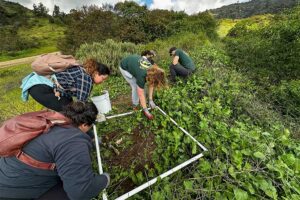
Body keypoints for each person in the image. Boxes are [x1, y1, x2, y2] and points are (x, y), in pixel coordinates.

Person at [0, 101, 110, 200]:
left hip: (6, 171)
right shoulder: (73, 141)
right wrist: (105, 179)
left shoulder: (53, 119)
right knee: (70, 190)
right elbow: (81, 192)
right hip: (13, 192)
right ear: (85, 124)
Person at [21, 59, 110, 112]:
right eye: (103, 78)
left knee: (69, 104)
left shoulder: (81, 69)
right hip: (41, 88)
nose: (102, 82)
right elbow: (81, 102)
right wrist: (94, 113)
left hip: (38, 84)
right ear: (96, 73)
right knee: (69, 112)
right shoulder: (86, 78)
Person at [119, 54, 166, 120]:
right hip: (124, 67)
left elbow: (151, 83)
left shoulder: (153, 70)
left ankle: (143, 102)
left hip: (133, 62)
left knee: (143, 85)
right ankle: (135, 105)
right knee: (135, 86)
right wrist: (145, 110)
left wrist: (150, 100)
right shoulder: (141, 75)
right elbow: (140, 93)